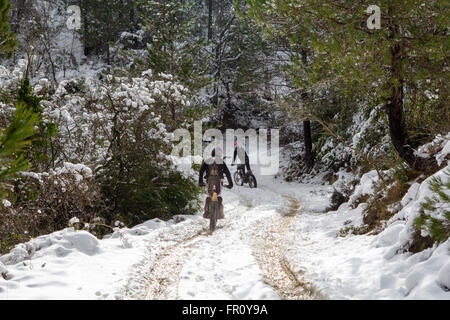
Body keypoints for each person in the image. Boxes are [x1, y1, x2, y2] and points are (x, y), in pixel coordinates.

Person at [198, 148, 233, 219]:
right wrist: (230, 183)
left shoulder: (207, 161)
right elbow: (227, 173)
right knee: (218, 195)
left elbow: (201, 171)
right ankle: (220, 213)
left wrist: (200, 181)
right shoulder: (221, 161)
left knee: (209, 195)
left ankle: (206, 212)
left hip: (209, 180)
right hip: (219, 180)